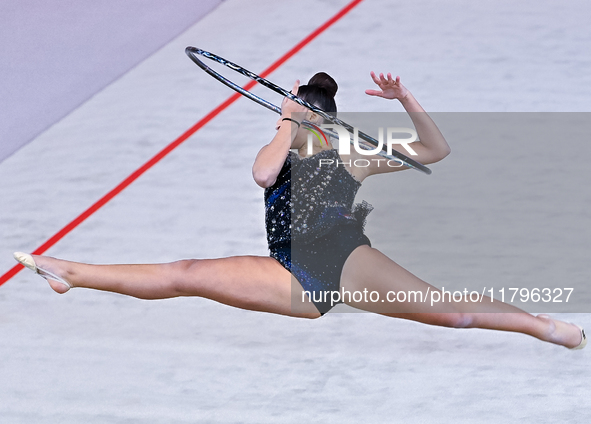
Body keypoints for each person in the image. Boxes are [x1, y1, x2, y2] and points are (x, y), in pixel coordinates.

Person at [14, 71, 586, 350]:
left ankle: (540, 325)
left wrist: (405, 100)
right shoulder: (281, 149)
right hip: (289, 268)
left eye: (291, 115)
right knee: (186, 274)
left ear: (315, 118)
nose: (282, 122)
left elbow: (436, 151)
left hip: (343, 258)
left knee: (449, 313)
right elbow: (263, 173)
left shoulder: (350, 156)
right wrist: (288, 124)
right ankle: (69, 273)